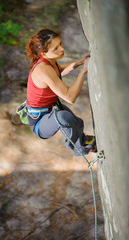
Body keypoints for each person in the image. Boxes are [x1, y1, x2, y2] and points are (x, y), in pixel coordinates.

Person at [25, 28, 96, 156]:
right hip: (39, 123)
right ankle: (78, 148)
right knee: (65, 118)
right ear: (43, 54)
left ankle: (84, 140)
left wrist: (79, 63)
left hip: (50, 109)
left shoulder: (49, 62)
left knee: (77, 122)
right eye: (56, 49)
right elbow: (70, 97)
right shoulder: (43, 69)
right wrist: (84, 70)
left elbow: (60, 70)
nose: (62, 49)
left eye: (60, 44)